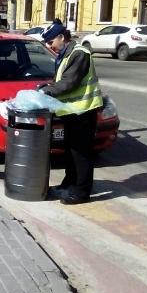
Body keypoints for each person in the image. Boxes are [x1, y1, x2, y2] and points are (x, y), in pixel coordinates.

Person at [37, 18, 103, 205]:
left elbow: (69, 83)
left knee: (81, 154)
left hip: (83, 112)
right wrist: (47, 86)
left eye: (51, 42)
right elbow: (61, 80)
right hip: (71, 112)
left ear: (61, 37)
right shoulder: (65, 54)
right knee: (70, 152)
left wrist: (45, 91)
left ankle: (81, 192)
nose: (50, 46)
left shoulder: (79, 53)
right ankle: (69, 184)